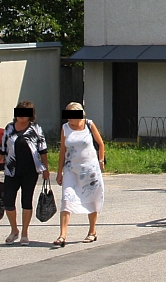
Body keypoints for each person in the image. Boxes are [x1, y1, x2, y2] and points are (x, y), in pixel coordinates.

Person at [0, 100, 50, 245]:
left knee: (26, 201)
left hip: (30, 171)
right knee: (8, 201)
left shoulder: (36, 129)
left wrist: (46, 169)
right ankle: (14, 230)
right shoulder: (9, 128)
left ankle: (24, 233)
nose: (21, 116)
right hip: (11, 171)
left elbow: (43, 150)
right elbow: (2, 148)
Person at [54, 102, 105, 248]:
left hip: (90, 170)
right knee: (66, 199)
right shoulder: (65, 128)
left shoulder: (89, 124)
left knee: (92, 199)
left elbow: (100, 144)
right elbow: (62, 151)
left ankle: (92, 231)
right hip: (71, 169)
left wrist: (101, 161)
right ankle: (62, 235)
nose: (69, 119)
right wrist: (59, 172)